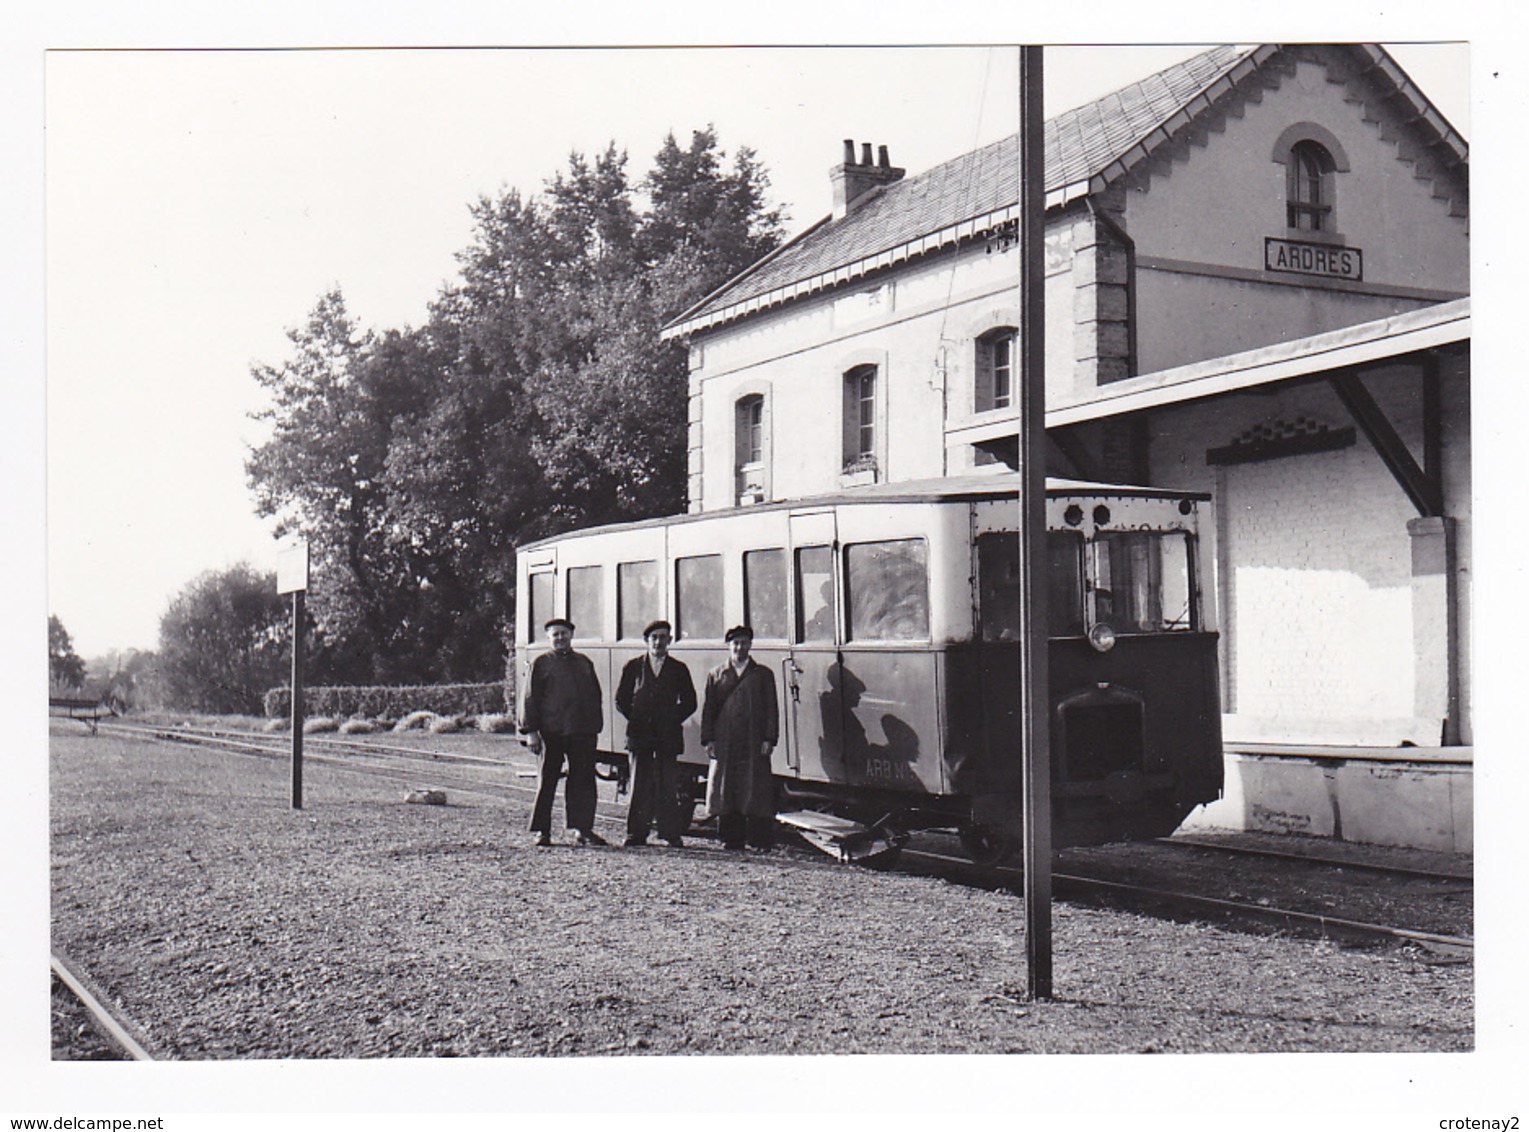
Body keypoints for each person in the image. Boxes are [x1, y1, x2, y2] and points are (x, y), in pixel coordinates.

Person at [519, 617, 606, 847]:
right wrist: (531, 732)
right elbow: (529, 699)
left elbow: (595, 696)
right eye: (555, 634)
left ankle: (582, 829)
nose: (560, 638)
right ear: (549, 638)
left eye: (564, 634)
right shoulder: (541, 663)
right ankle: (542, 831)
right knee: (547, 781)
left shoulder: (584, 663)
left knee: (583, 782)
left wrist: (594, 727)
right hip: (551, 732)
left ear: (571, 636)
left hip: (581, 731)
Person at [614, 620, 698, 848]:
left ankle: (670, 833)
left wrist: (671, 719)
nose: (659, 642)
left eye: (663, 637)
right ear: (647, 641)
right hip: (640, 735)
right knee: (639, 783)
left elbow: (690, 702)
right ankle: (636, 834)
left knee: (667, 784)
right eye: (655, 638)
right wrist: (638, 718)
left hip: (667, 736)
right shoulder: (633, 667)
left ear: (670, 641)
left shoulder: (678, 669)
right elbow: (620, 700)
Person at [701, 625, 780, 851]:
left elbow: (771, 709)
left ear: (750, 645)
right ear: (729, 646)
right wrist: (709, 739)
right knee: (727, 789)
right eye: (735, 643)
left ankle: (758, 840)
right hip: (725, 740)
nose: (740, 647)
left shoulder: (763, 674)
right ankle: (730, 839)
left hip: (753, 740)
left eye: (744, 643)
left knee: (755, 788)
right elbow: (709, 710)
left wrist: (769, 738)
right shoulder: (716, 674)